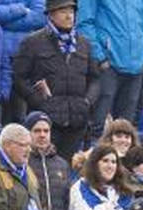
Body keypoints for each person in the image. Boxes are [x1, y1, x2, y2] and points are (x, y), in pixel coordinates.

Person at [12, 0, 98, 157]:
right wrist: (38, 101)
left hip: (77, 121)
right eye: (63, 11)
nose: (69, 16)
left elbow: (95, 79)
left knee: (67, 173)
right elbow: (18, 78)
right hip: (46, 122)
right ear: (51, 15)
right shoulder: (32, 42)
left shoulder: (84, 44)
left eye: (71, 12)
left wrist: (87, 102)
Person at [77, 0, 143, 133]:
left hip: (136, 68)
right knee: (97, 126)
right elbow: (84, 23)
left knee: (125, 130)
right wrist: (100, 57)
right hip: (106, 66)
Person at [24, 112, 72, 210]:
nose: (42, 135)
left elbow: (68, 200)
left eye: (46, 131)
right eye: (37, 131)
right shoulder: (22, 162)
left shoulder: (62, 164)